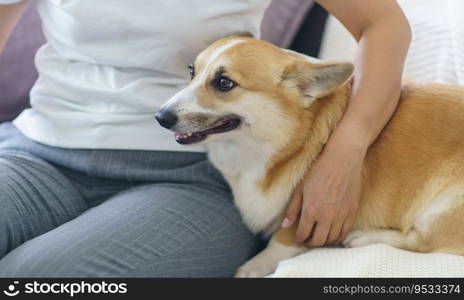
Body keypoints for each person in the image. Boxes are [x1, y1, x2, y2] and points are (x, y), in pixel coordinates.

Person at [0, 0, 410, 277]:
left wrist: (346, 152)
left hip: (192, 177)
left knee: (33, 278)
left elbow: (383, 23)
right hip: (37, 152)